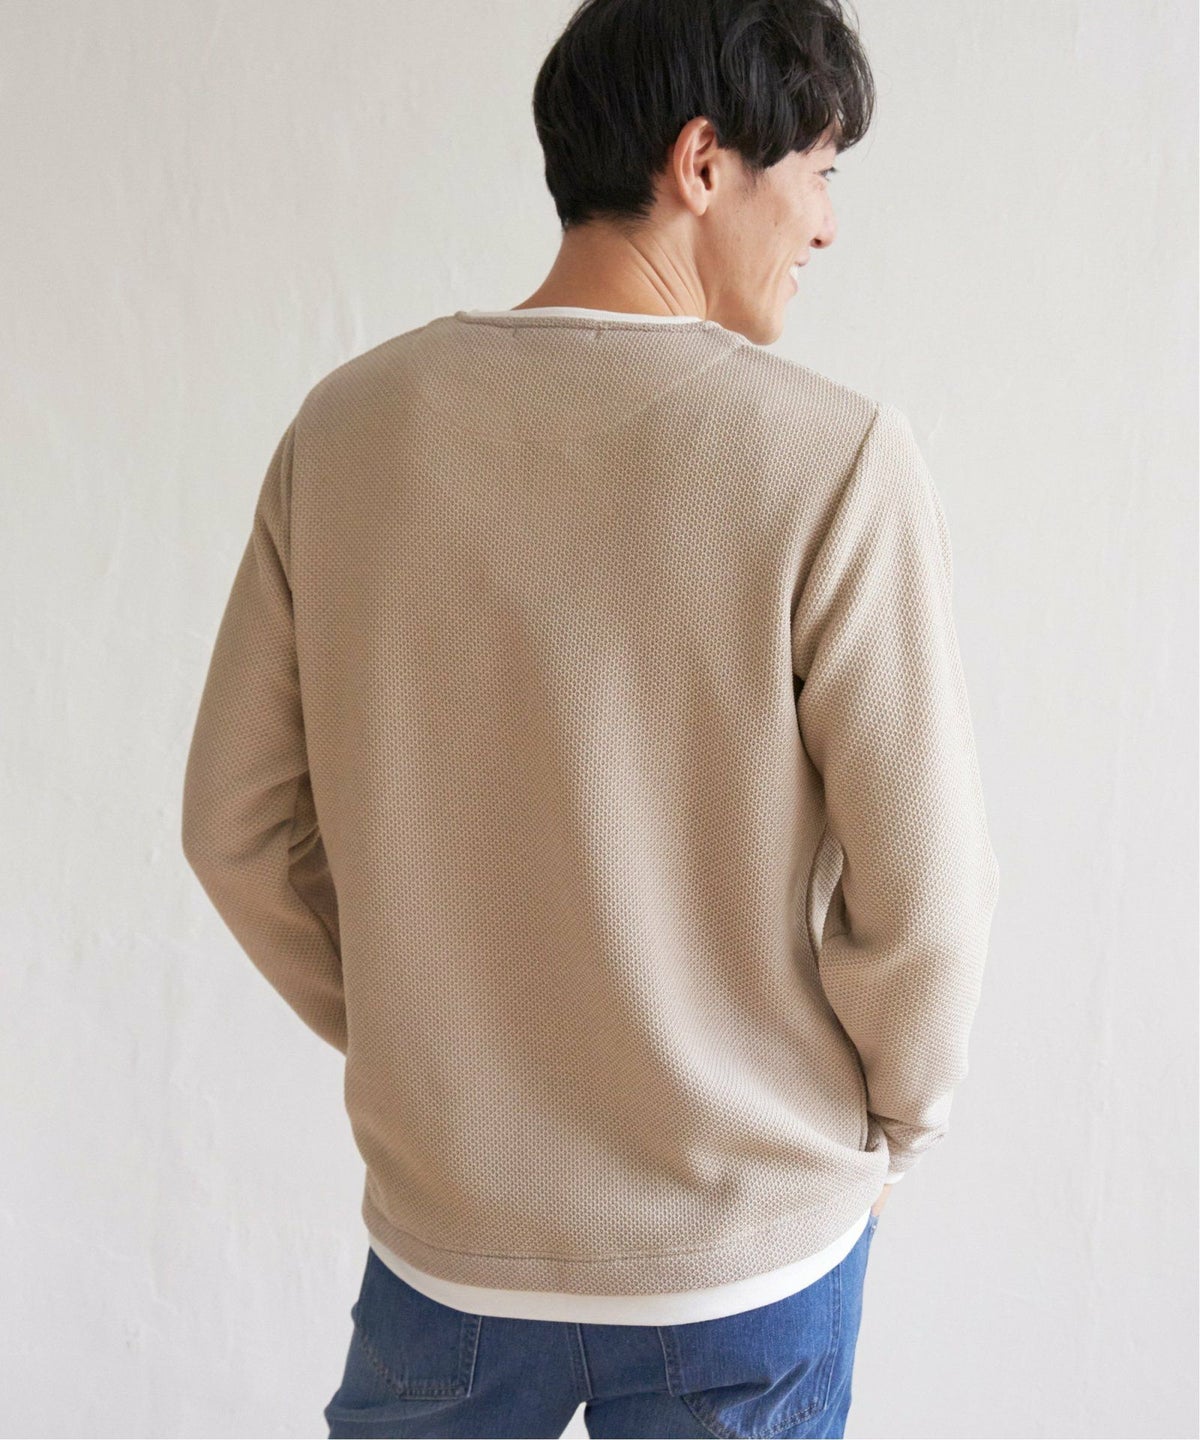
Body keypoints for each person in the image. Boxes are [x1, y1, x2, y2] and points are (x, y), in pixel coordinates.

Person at [180, 0, 1000, 1435]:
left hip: (451, 1239)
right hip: (739, 1251)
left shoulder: (347, 430)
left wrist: (431, 1048)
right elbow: (924, 894)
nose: (825, 226)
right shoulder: (833, 460)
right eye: (816, 172)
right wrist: (891, 1133)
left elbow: (234, 829)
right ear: (703, 162)